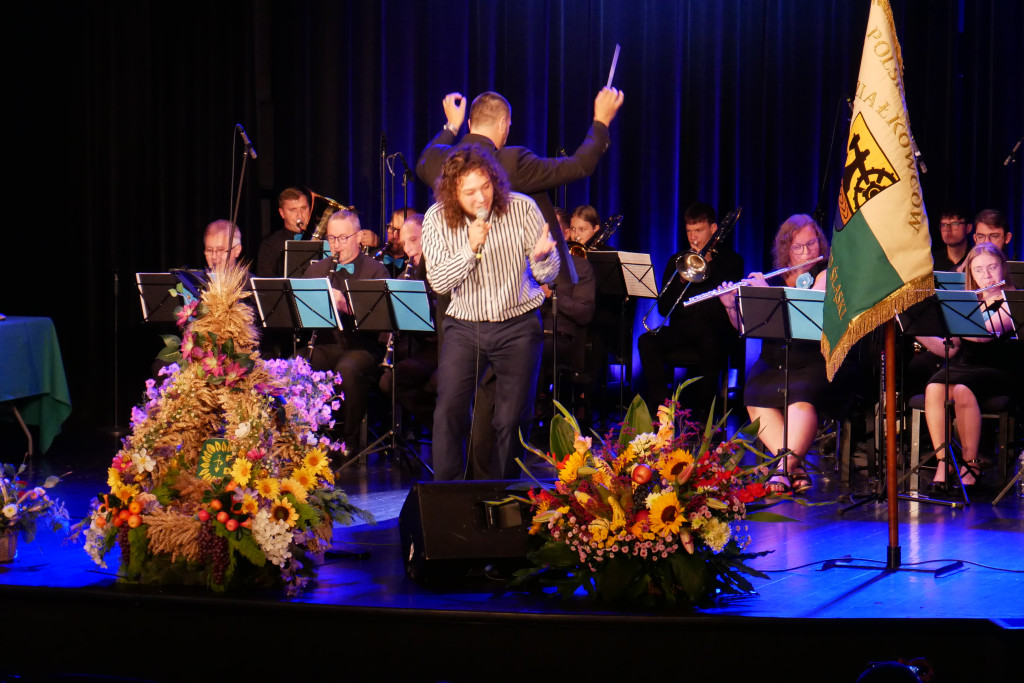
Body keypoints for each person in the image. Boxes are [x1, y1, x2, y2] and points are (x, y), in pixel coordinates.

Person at [422, 145, 560, 480]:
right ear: (453, 192)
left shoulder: (521, 209)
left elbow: (549, 273)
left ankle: (503, 496)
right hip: (465, 326)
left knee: (512, 419)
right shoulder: (437, 219)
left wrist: (542, 259)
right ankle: (447, 496)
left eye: (485, 186)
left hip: (518, 324)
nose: (481, 198)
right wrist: (469, 248)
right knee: (449, 412)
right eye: (470, 192)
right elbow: (439, 281)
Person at [416, 86, 624, 284]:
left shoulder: (440, 160)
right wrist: (601, 121)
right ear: (503, 124)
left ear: (470, 124)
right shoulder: (512, 161)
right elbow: (580, 165)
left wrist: (451, 125)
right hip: (510, 285)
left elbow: (424, 160)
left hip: (455, 289)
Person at [719, 214, 847, 493]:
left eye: (812, 244)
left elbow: (808, 318)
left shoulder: (829, 272)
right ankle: (793, 466)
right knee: (754, 393)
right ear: (786, 250)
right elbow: (748, 327)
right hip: (775, 357)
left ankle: (781, 469)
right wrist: (731, 305)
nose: (807, 252)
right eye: (798, 247)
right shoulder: (776, 276)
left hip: (814, 357)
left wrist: (768, 292)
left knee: (800, 398)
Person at [920, 242, 1017, 492]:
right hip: (967, 367)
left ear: (1002, 269)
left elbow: (984, 335)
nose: (986, 275)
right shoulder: (967, 302)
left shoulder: (1010, 300)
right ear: (970, 274)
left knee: (962, 389)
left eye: (992, 267)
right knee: (934, 387)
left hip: (1000, 370)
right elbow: (949, 349)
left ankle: (971, 464)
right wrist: (916, 327)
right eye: (979, 270)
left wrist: (952, 318)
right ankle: (945, 462)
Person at [637, 202, 744, 418]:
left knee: (709, 337)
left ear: (713, 229)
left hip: (716, 331)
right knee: (646, 340)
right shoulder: (677, 262)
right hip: (683, 331)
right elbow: (664, 308)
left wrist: (707, 266)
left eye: (699, 230)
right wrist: (680, 280)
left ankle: (704, 412)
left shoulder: (731, 261)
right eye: (689, 231)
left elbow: (724, 308)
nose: (693, 237)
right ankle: (662, 406)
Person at [304, 208, 390, 457]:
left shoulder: (375, 271)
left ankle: (348, 441)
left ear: (358, 237)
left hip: (363, 346)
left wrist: (348, 308)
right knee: (301, 361)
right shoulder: (317, 270)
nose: (336, 245)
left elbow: (383, 323)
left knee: (348, 368)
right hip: (328, 342)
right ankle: (309, 434)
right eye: (331, 238)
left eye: (343, 238)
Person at [378, 213, 438, 435]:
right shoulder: (409, 272)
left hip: (446, 345)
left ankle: (451, 433)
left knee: (437, 383)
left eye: (414, 240)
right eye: (404, 243)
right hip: (421, 346)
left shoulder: (443, 266)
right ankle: (437, 427)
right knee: (389, 381)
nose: (408, 250)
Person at [256, 187, 311, 278]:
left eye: (304, 208)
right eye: (293, 210)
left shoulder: (323, 239)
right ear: (282, 213)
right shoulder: (270, 244)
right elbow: (265, 279)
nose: (300, 215)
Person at [931, 208, 973, 272]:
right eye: (943, 225)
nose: (948, 229)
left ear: (968, 228)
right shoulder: (931, 260)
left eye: (954, 224)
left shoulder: (976, 258)